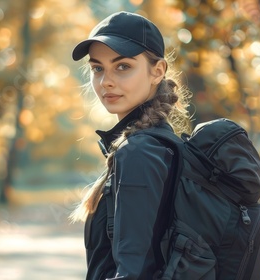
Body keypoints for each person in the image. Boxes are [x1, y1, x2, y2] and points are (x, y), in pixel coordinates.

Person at [70, 11, 192, 279]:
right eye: (97, 68)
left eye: (122, 66)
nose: (106, 81)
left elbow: (134, 272)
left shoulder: (140, 152)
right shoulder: (159, 144)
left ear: (157, 71)